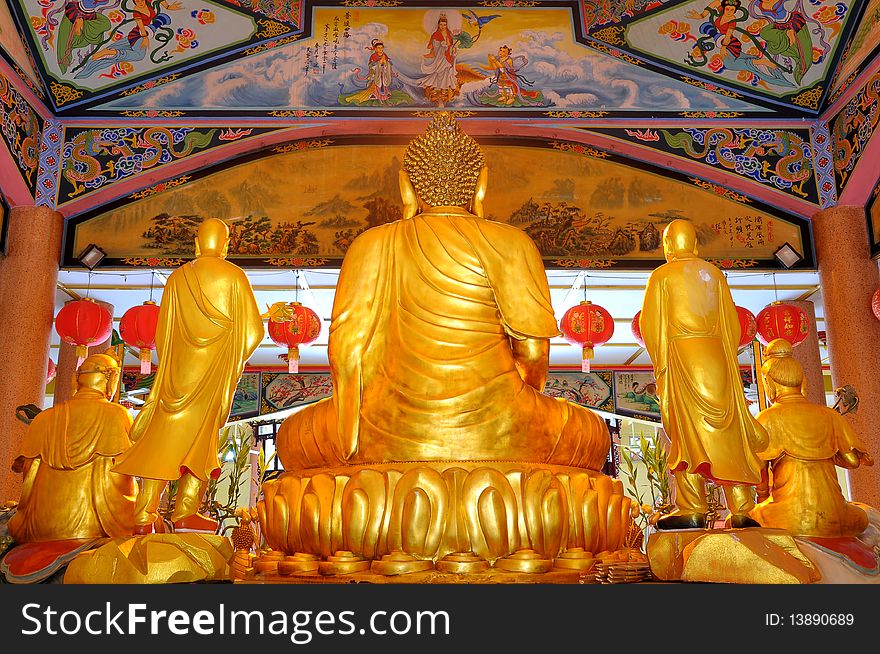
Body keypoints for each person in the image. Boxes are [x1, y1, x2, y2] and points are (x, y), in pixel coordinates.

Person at [276, 112, 610, 472]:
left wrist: (354, 429)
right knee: (588, 434)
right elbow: (532, 356)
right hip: (504, 423)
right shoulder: (512, 243)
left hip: (383, 427)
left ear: (407, 187)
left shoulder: (370, 244)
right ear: (481, 186)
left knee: (296, 437)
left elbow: (346, 354)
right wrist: (523, 416)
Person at [113, 218, 264, 533]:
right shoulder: (235, 276)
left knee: (164, 438)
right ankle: (182, 510)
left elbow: (163, 332)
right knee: (200, 440)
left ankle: (148, 512)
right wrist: (229, 349)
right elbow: (252, 332)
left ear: (197, 244)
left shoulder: (177, 278)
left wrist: (171, 364)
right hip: (211, 374)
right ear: (225, 245)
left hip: (178, 375)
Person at [640, 219, 768, 529]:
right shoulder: (713, 275)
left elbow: (651, 324)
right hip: (717, 358)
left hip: (683, 354)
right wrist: (726, 358)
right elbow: (732, 324)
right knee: (728, 432)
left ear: (668, 247)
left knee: (686, 433)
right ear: (695, 245)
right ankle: (741, 507)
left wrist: (661, 367)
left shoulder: (662, 275)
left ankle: (692, 507)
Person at [9, 352, 137, 542]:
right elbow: (122, 473)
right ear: (111, 380)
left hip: (40, 527)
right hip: (98, 525)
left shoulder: (44, 418)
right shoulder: (117, 415)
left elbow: (29, 475)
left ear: (77, 380)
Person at [750, 338, 873, 537]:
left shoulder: (767, 418)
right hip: (840, 517)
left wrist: (762, 499)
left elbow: (760, 476)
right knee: (864, 515)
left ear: (768, 383)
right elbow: (852, 461)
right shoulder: (829, 415)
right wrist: (823, 448)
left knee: (741, 522)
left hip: (786, 517)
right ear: (801, 381)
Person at [419, 13, 459, 104]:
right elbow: (432, 49)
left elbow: (450, 46)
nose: (443, 26)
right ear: (438, 24)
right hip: (439, 57)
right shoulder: (435, 35)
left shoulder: (449, 34)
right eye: (441, 24)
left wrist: (452, 51)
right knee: (439, 72)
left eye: (444, 24)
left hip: (447, 58)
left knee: (446, 72)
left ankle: (444, 88)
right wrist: (439, 45)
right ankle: (437, 88)